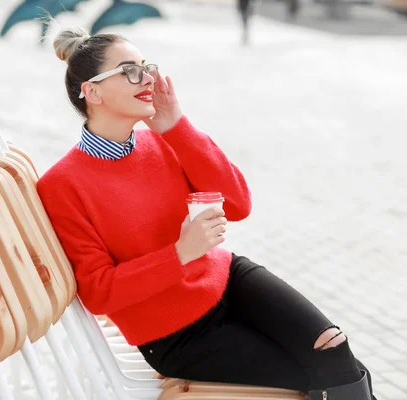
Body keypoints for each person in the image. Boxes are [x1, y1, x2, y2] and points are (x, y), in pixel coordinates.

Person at [37, 27, 376, 400]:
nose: (147, 78)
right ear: (92, 91)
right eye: (130, 70)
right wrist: (180, 254)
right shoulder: (62, 185)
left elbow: (237, 204)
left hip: (228, 277)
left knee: (333, 347)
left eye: (146, 66)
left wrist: (176, 127)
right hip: (177, 335)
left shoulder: (161, 142)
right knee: (323, 375)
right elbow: (98, 292)